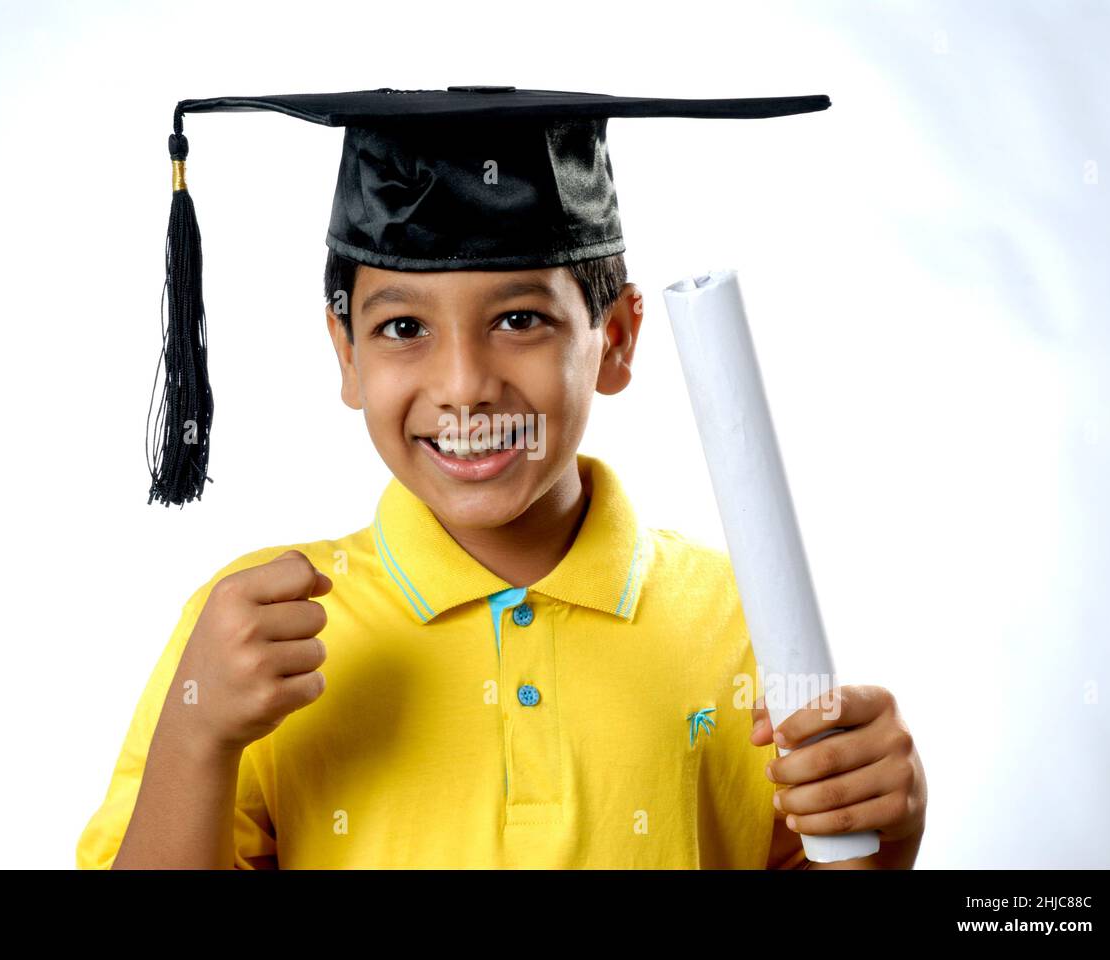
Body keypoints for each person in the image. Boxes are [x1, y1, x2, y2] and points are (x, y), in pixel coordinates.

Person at [77, 86, 926, 868]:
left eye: (520, 320)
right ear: (345, 354)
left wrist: (881, 835)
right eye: (403, 326)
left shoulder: (741, 622)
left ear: (618, 340)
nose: (463, 386)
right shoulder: (261, 634)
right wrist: (197, 734)